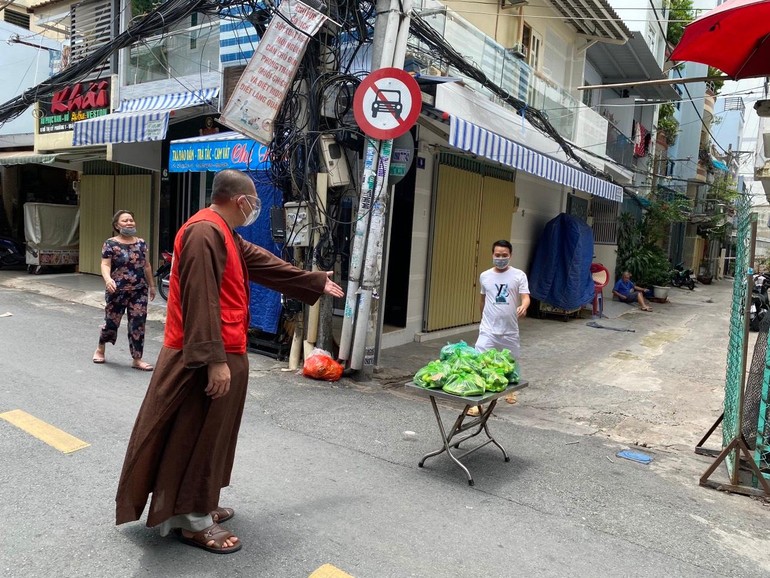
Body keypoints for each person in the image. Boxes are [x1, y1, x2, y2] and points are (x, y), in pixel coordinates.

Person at [115, 169, 344, 554]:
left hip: (224, 350)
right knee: (197, 435)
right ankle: (190, 520)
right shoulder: (204, 231)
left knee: (215, 437)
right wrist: (214, 361)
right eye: (253, 203)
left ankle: (200, 503)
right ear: (241, 201)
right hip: (203, 356)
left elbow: (262, 262)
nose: (254, 209)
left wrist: (312, 280)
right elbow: (200, 300)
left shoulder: (224, 233)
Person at [470, 240, 530, 414]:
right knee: (479, 362)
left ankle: (511, 391)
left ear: (510, 256)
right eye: (498, 255)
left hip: (510, 329)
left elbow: (525, 296)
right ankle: (476, 403)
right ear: (492, 255)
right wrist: (482, 319)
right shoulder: (485, 276)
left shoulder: (519, 275)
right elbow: (482, 299)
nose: (501, 258)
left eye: (504, 255)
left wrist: (524, 305)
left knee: (511, 361)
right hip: (488, 329)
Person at [93, 210, 156, 370]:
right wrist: (108, 280)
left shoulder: (141, 243)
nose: (129, 223)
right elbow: (105, 264)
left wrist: (152, 285)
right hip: (117, 290)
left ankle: (137, 359)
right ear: (117, 225)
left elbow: (146, 265)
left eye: (131, 220)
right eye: (125, 220)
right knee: (111, 321)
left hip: (139, 290)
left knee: (138, 323)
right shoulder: (110, 244)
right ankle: (100, 348)